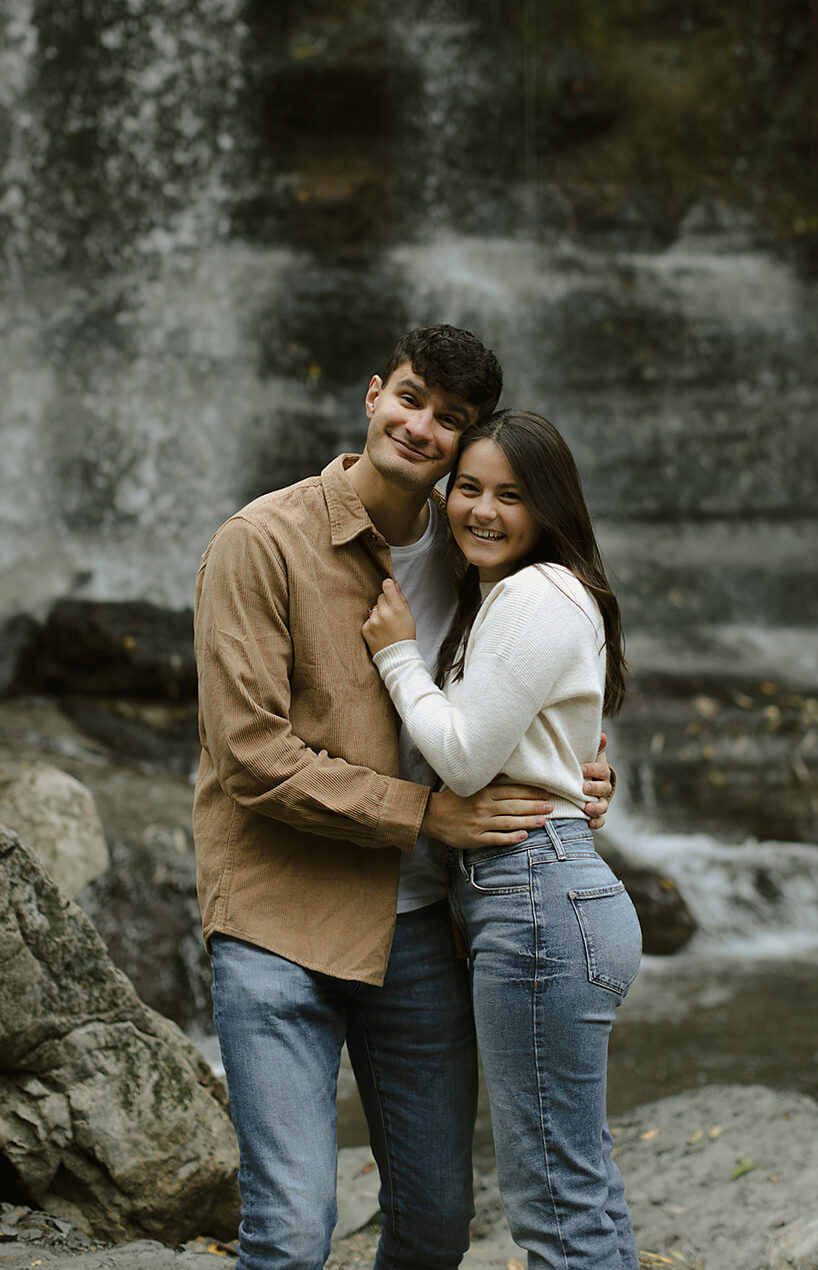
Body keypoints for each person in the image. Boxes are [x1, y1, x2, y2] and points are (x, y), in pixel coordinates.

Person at [193, 327, 616, 1270]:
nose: (422, 428)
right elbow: (251, 755)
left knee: (431, 1231)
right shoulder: (259, 544)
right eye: (411, 399)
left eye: (450, 421)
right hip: (279, 921)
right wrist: (424, 813)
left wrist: (578, 766)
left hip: (420, 928)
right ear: (374, 393)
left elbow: (530, 686)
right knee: (294, 1236)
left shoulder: (480, 555)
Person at [362, 408, 640, 1270]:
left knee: (556, 1207)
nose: (482, 510)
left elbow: (465, 758)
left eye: (510, 496)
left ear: (548, 506)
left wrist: (398, 655)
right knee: (576, 1188)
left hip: (533, 899)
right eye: (469, 488)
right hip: (546, 893)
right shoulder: (532, 595)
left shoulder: (530, 592)